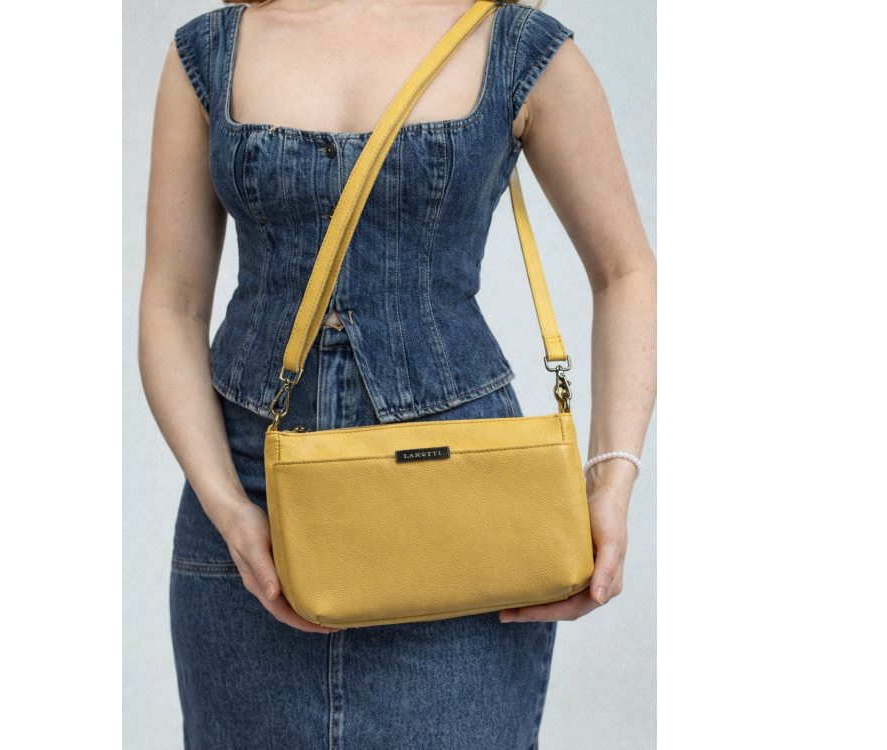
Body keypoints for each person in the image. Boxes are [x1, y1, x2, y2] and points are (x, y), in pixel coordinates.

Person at [139, 0, 656, 746]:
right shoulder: (209, 52)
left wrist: (613, 479)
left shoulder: (517, 44)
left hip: (466, 513)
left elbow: (626, 268)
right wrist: (228, 512)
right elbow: (173, 304)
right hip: (245, 517)